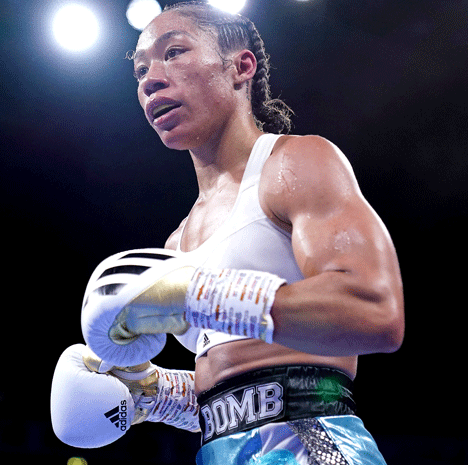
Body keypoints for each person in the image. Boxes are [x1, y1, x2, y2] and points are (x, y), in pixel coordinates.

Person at [51, 2, 405, 464]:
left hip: (311, 444)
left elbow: (375, 312)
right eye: (140, 71)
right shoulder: (177, 244)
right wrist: (153, 393)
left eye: (174, 52)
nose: (150, 79)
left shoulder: (294, 164)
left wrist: (199, 295)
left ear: (241, 67)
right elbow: (238, 390)